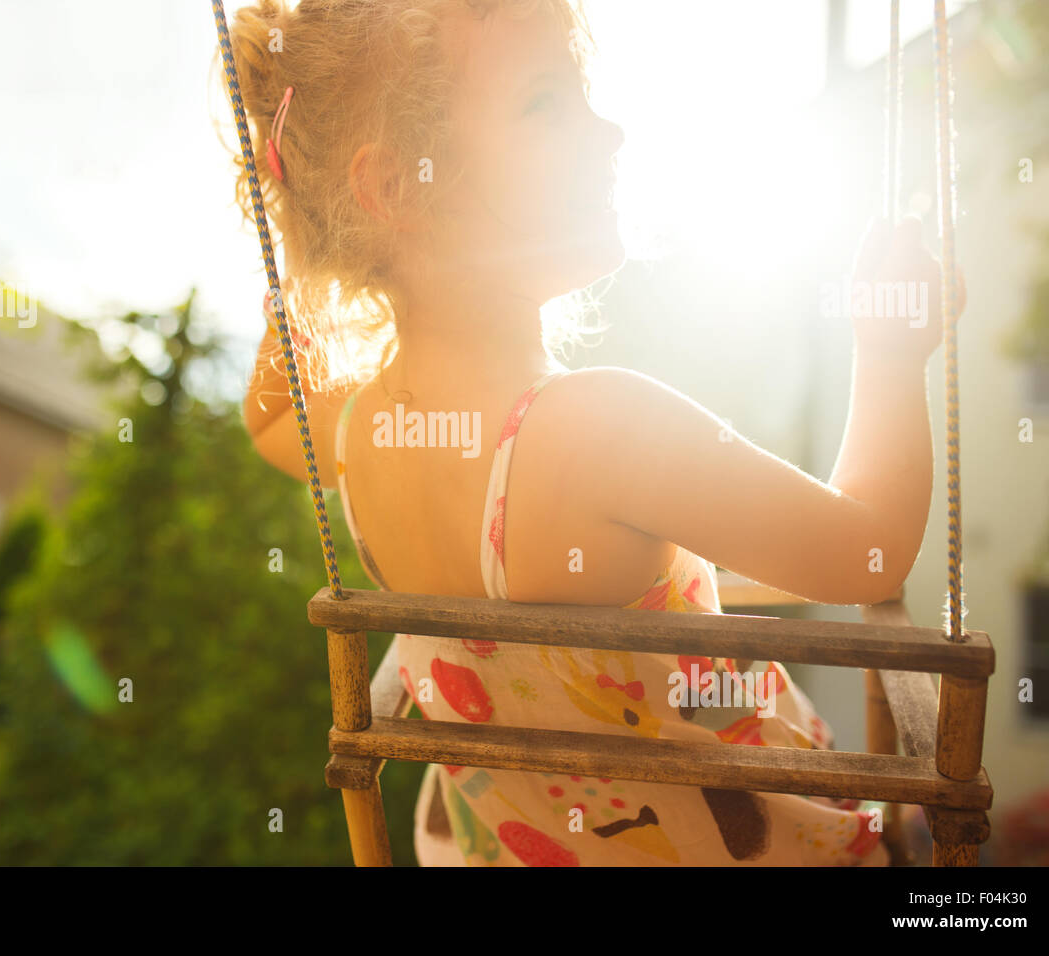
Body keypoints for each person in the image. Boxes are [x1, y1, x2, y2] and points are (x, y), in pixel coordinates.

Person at [231, 0, 961, 865]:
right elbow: (867, 554)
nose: (609, 132)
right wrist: (888, 353)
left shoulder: (358, 437)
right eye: (546, 102)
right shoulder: (594, 429)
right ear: (397, 187)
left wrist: (306, 225)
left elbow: (268, 415)